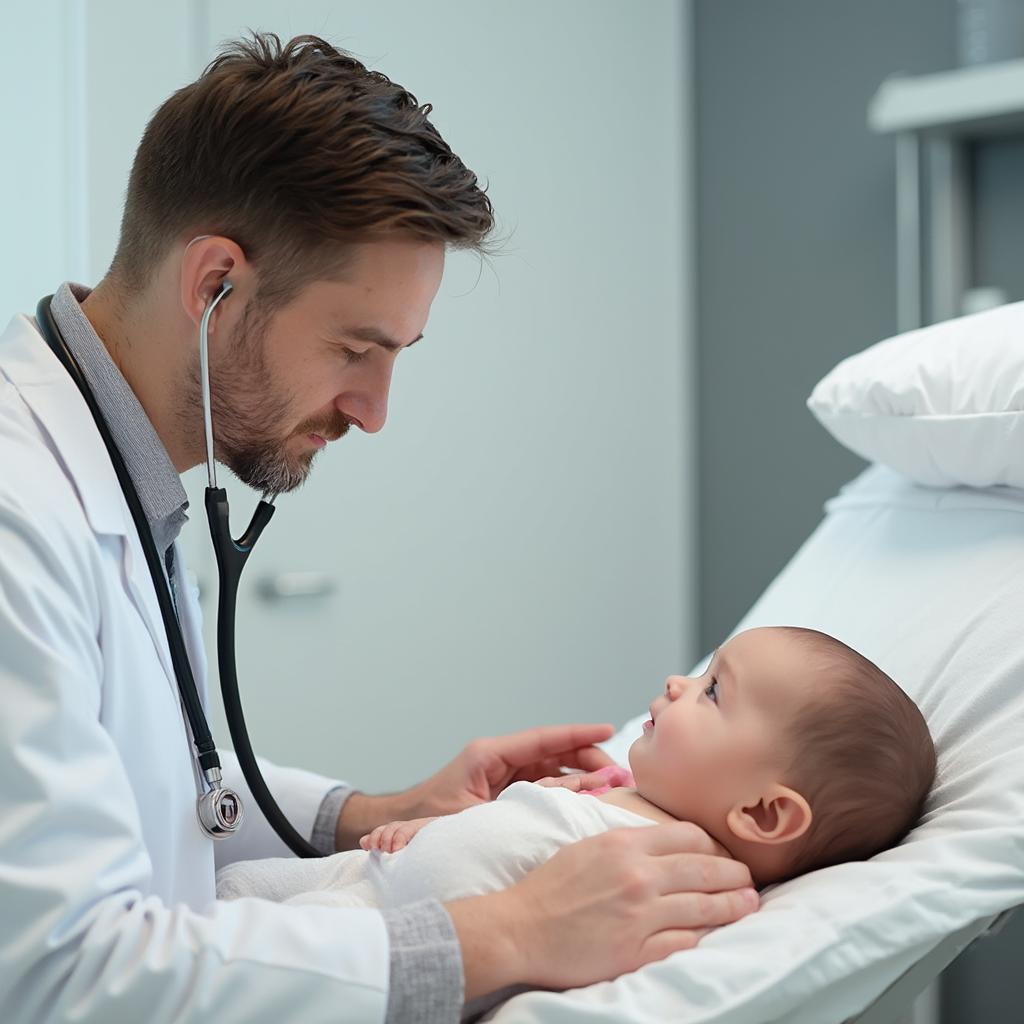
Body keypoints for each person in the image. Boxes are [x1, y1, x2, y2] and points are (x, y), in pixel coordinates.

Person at [0, 32, 758, 1024]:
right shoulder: (20, 518)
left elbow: (133, 799)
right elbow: (64, 971)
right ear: (214, 285)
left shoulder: (113, 470)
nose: (373, 410)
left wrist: (376, 817)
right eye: (357, 347)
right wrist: (515, 929)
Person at [216, 626, 936, 915]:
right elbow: (499, 836)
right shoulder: (611, 793)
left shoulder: (680, 875)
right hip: (363, 881)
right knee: (226, 897)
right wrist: (420, 826)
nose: (680, 683)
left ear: (764, 813)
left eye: (715, 691)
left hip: (380, 927)